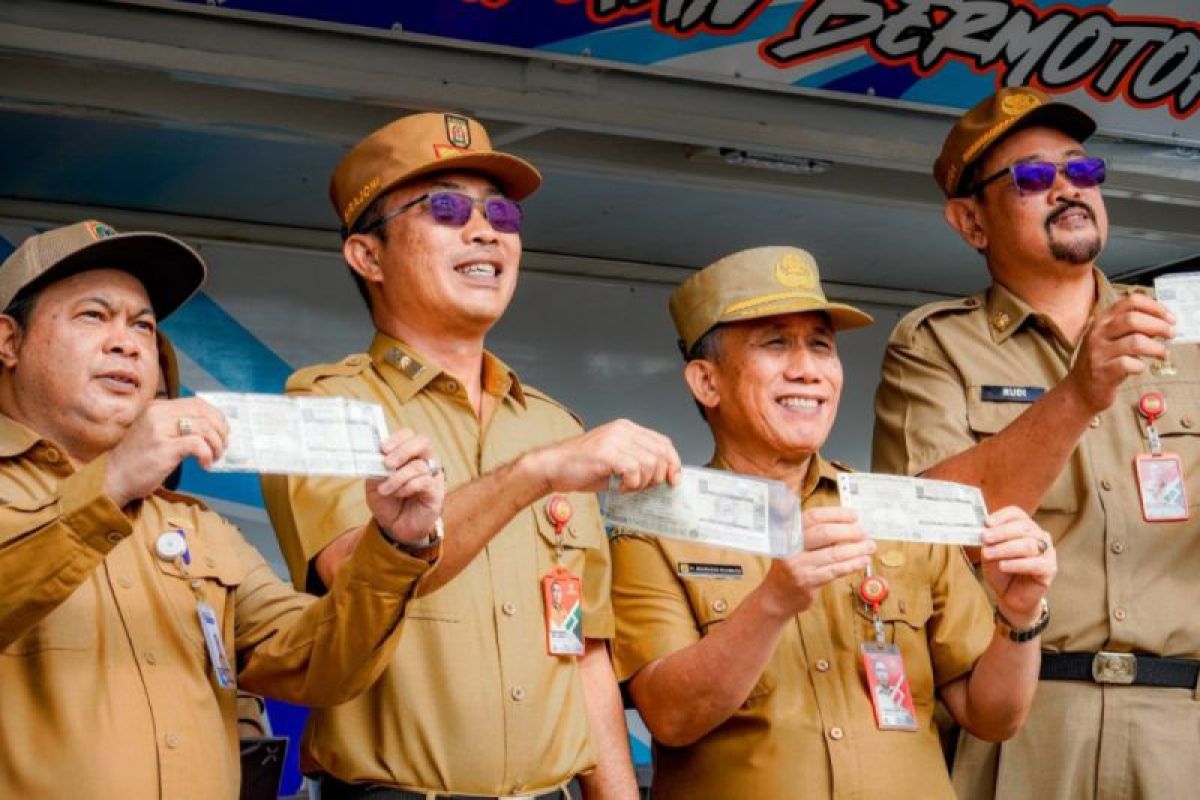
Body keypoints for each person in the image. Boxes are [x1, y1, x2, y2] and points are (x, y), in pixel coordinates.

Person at [260, 111, 680, 799]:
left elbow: (583, 652)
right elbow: (356, 578)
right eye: (447, 207)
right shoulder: (324, 406)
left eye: (502, 214)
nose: (485, 231)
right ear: (368, 256)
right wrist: (535, 473)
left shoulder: (551, 423)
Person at [0, 219, 448, 798]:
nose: (128, 342)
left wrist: (394, 546)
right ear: (8, 340)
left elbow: (316, 663)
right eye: (93, 315)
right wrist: (108, 486)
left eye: (143, 325)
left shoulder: (188, 523)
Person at [609, 246, 1057, 799]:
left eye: (820, 346)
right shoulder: (656, 522)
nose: (807, 370)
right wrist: (774, 600)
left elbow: (992, 717)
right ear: (706, 382)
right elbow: (671, 717)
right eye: (775, 344)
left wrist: (1020, 617)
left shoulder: (895, 512)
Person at [872, 86, 1200, 800]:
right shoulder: (935, 346)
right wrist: (1076, 395)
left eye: (1082, 172)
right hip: (1023, 717)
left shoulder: (1185, 341)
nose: (1065, 189)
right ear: (970, 222)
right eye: (1030, 178)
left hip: (1183, 725)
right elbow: (921, 526)